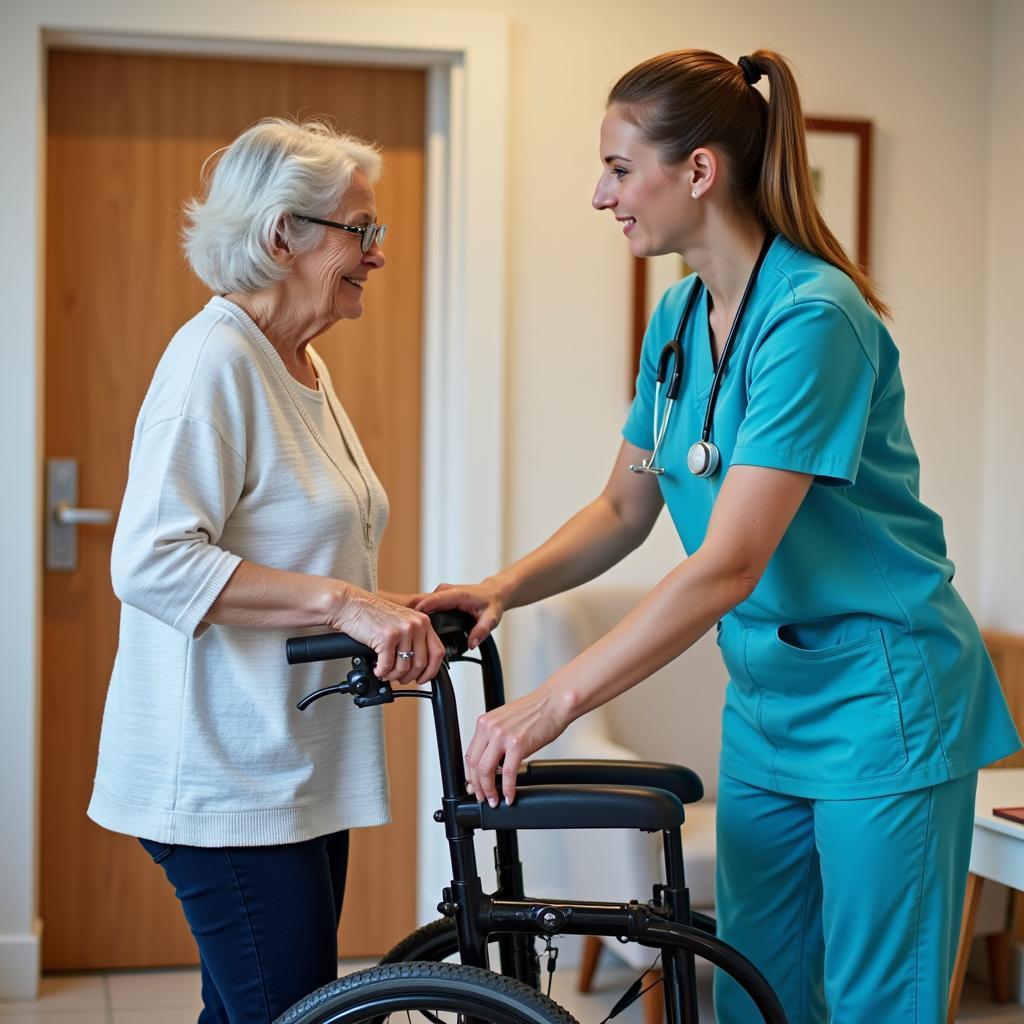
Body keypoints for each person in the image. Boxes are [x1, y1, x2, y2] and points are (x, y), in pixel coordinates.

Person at [417, 50, 1021, 1023]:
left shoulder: (814, 317)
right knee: (754, 990)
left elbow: (729, 562)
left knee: (877, 1004)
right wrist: (500, 589)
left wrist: (550, 705)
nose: (599, 194)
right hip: (769, 703)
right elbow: (624, 507)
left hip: (881, 696)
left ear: (696, 171)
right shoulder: (681, 313)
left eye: (619, 167)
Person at [87, 117, 445, 1024]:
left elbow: (295, 554)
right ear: (283, 235)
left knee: (255, 1011)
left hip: (290, 767)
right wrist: (345, 604)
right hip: (222, 772)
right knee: (290, 1015)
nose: (376, 254)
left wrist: (389, 606)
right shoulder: (215, 361)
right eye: (361, 232)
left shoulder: (301, 364)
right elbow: (153, 560)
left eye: (375, 234)